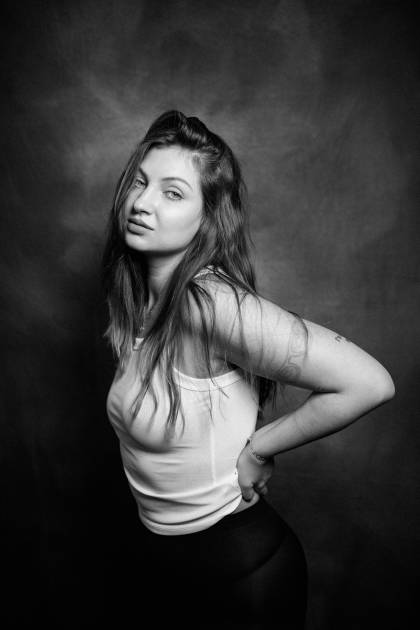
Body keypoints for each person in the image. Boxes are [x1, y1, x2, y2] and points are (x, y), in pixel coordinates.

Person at [102, 110, 395, 629]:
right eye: (140, 183)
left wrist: (259, 448)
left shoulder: (206, 302)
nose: (142, 203)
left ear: (207, 218)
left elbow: (368, 382)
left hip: (244, 579)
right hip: (165, 570)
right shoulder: (140, 298)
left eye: (173, 193)